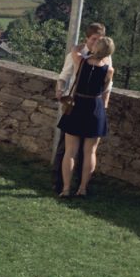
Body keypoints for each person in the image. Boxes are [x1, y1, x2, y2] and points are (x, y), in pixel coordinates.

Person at [57, 34, 114, 198]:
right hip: (95, 107)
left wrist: (85, 44)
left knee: (70, 151)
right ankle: (82, 188)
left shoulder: (80, 60)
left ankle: (66, 188)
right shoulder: (109, 70)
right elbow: (104, 89)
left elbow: (74, 49)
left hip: (78, 104)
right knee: (90, 152)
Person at [52, 23, 103, 192]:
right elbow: (64, 75)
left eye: (100, 39)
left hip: (88, 104)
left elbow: (107, 88)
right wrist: (59, 89)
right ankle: (60, 182)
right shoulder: (77, 57)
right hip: (76, 103)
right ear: (87, 38)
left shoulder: (91, 58)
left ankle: (76, 186)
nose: (97, 42)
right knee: (65, 148)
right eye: (94, 39)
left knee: (80, 151)